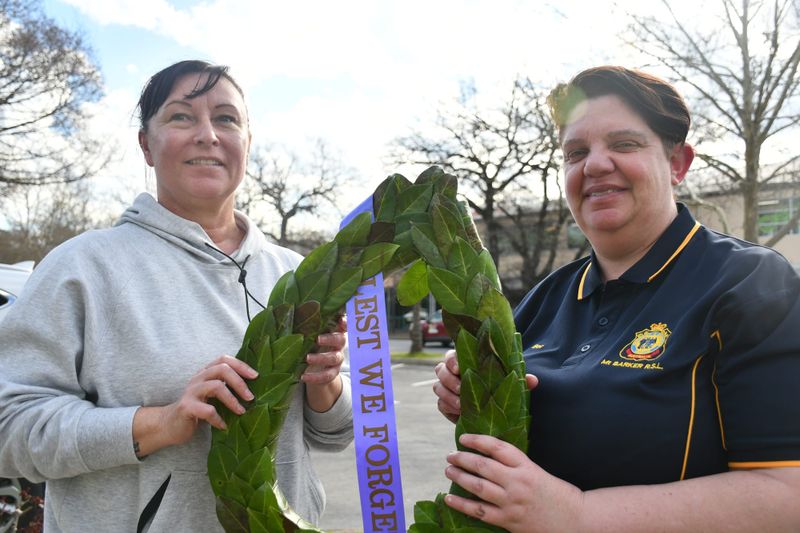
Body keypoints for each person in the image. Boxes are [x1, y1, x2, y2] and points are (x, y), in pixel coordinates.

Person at [433, 65, 800, 532]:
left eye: (624, 144)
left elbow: (787, 497)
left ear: (677, 163)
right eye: (576, 152)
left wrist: (575, 515)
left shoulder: (751, 284)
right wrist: (472, 396)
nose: (595, 164)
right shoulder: (545, 298)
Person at [0, 60, 353, 532]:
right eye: (181, 116)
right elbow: (9, 428)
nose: (207, 134)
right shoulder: (82, 267)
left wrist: (323, 384)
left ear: (247, 142)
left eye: (226, 118)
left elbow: (337, 436)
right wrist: (158, 423)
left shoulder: (295, 273)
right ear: (147, 144)